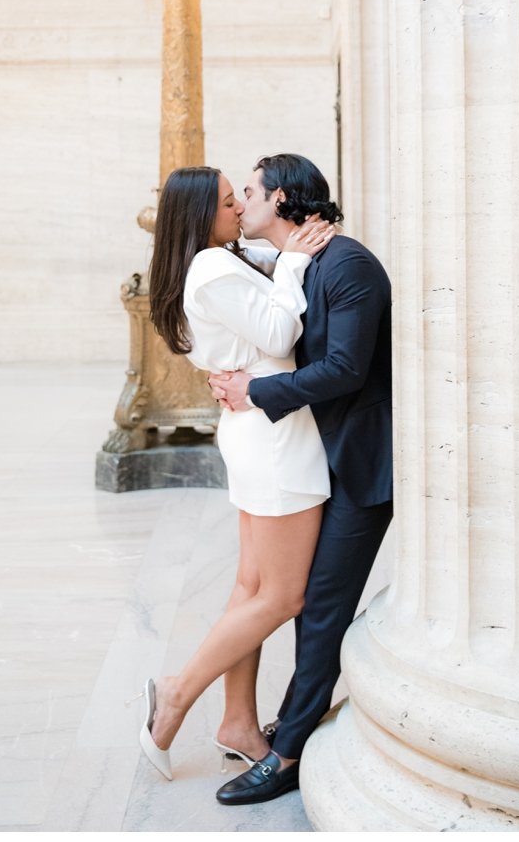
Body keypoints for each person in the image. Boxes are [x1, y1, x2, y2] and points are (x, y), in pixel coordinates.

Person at [135, 165, 336, 780]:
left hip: (258, 431)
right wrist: (297, 265)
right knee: (283, 595)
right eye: (229, 203)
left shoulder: (214, 261)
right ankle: (176, 694)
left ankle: (238, 724)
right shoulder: (212, 267)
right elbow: (280, 328)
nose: (241, 208)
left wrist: (281, 252)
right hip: (276, 441)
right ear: (202, 217)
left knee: (251, 589)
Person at [209, 153, 393, 805]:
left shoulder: (349, 266)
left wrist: (255, 390)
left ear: (282, 198)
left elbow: (343, 368)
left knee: (316, 608)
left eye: (250, 192)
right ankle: (292, 722)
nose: (241, 203)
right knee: (301, 600)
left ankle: (286, 753)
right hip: (320, 461)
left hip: (360, 465)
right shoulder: (305, 263)